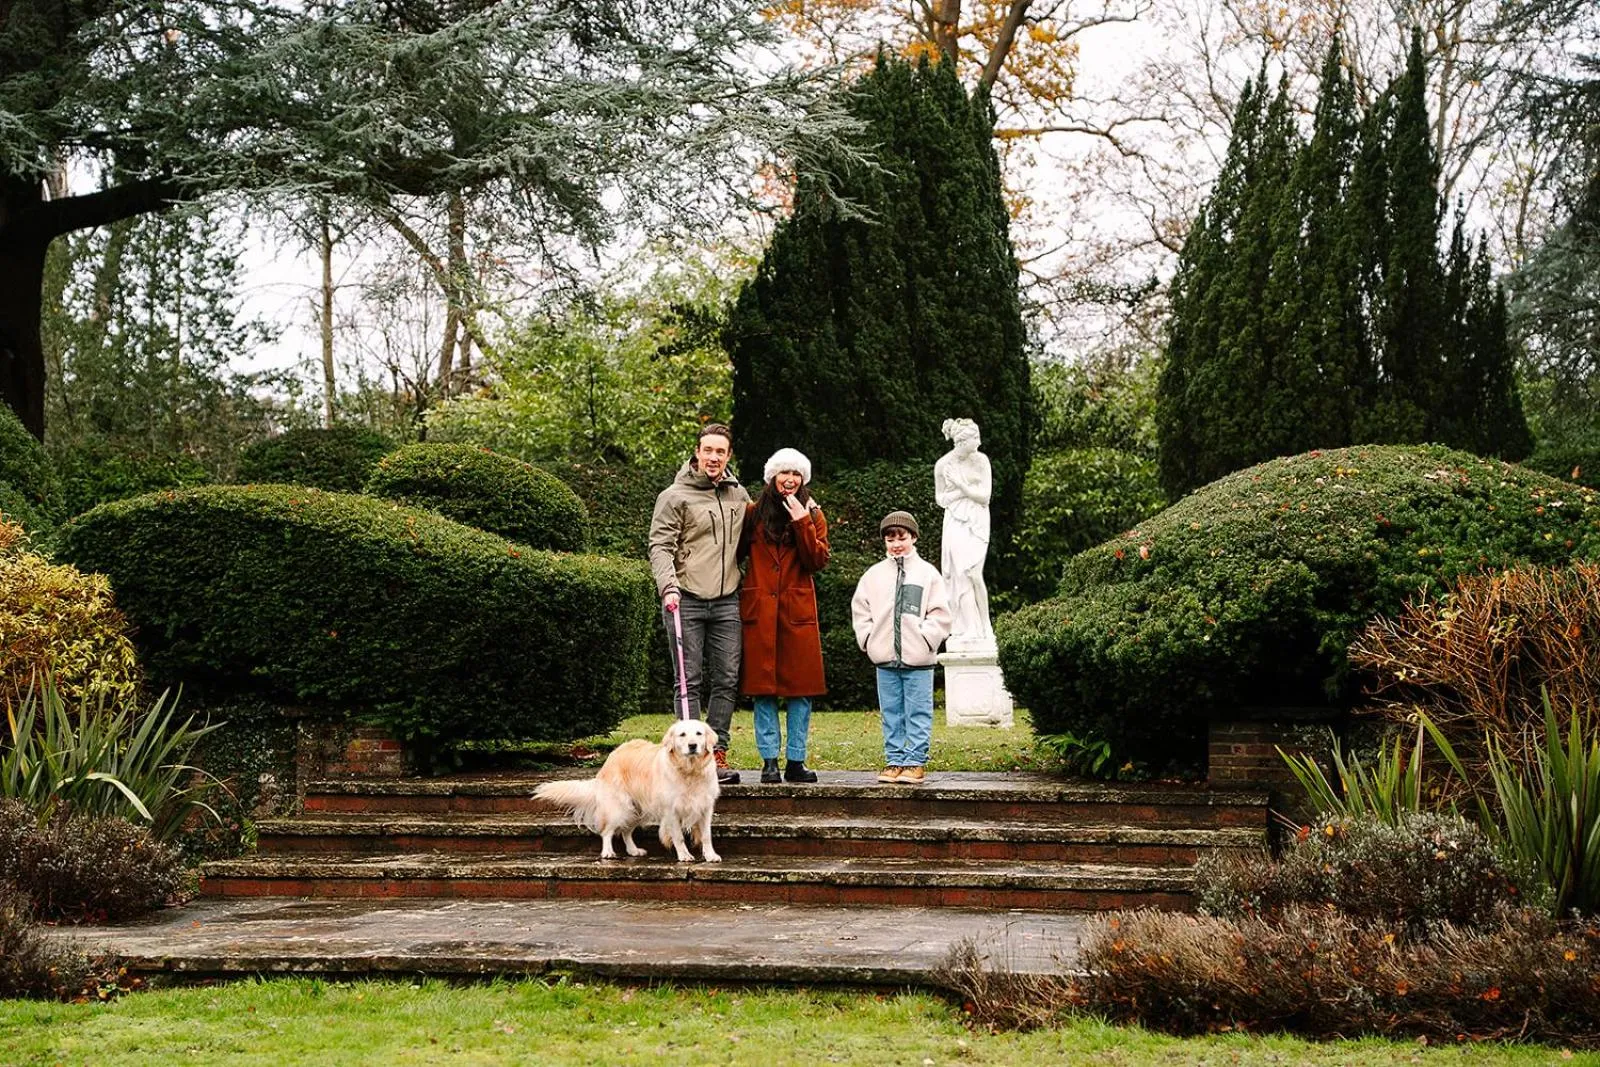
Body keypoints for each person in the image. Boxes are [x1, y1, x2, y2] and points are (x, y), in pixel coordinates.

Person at [648, 423, 750, 784]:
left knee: (726, 678)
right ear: (697, 452)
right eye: (708, 450)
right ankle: (685, 757)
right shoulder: (674, 496)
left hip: (726, 601)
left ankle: (715, 753)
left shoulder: (739, 494)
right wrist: (668, 586)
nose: (714, 457)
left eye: (720, 451)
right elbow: (660, 546)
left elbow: (759, 532)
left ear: (728, 455)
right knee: (687, 680)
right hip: (685, 599)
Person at [738, 447, 830, 784]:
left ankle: (796, 761)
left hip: (797, 613)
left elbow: (817, 561)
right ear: (772, 477)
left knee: (799, 691)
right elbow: (736, 553)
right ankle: (769, 762)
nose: (789, 479)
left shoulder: (814, 515)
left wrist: (802, 521)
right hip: (760, 611)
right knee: (763, 691)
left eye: (796, 474)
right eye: (783, 473)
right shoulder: (753, 514)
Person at [851, 511, 951, 785]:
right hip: (885, 659)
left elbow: (940, 613)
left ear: (913, 537)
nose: (896, 544)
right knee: (891, 713)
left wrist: (927, 639)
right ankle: (894, 760)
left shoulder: (928, 574)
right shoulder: (873, 576)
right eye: (890, 539)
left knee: (918, 712)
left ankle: (915, 761)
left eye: (901, 537)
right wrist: (868, 640)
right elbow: (861, 611)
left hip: (919, 660)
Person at [934, 417, 994, 647]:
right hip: (955, 521)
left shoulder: (982, 461)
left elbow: (984, 497)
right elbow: (941, 499)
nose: (979, 442)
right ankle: (968, 628)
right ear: (961, 442)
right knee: (960, 574)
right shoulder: (942, 465)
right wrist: (966, 490)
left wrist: (960, 485)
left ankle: (985, 626)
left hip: (977, 521)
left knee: (975, 574)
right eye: (974, 438)